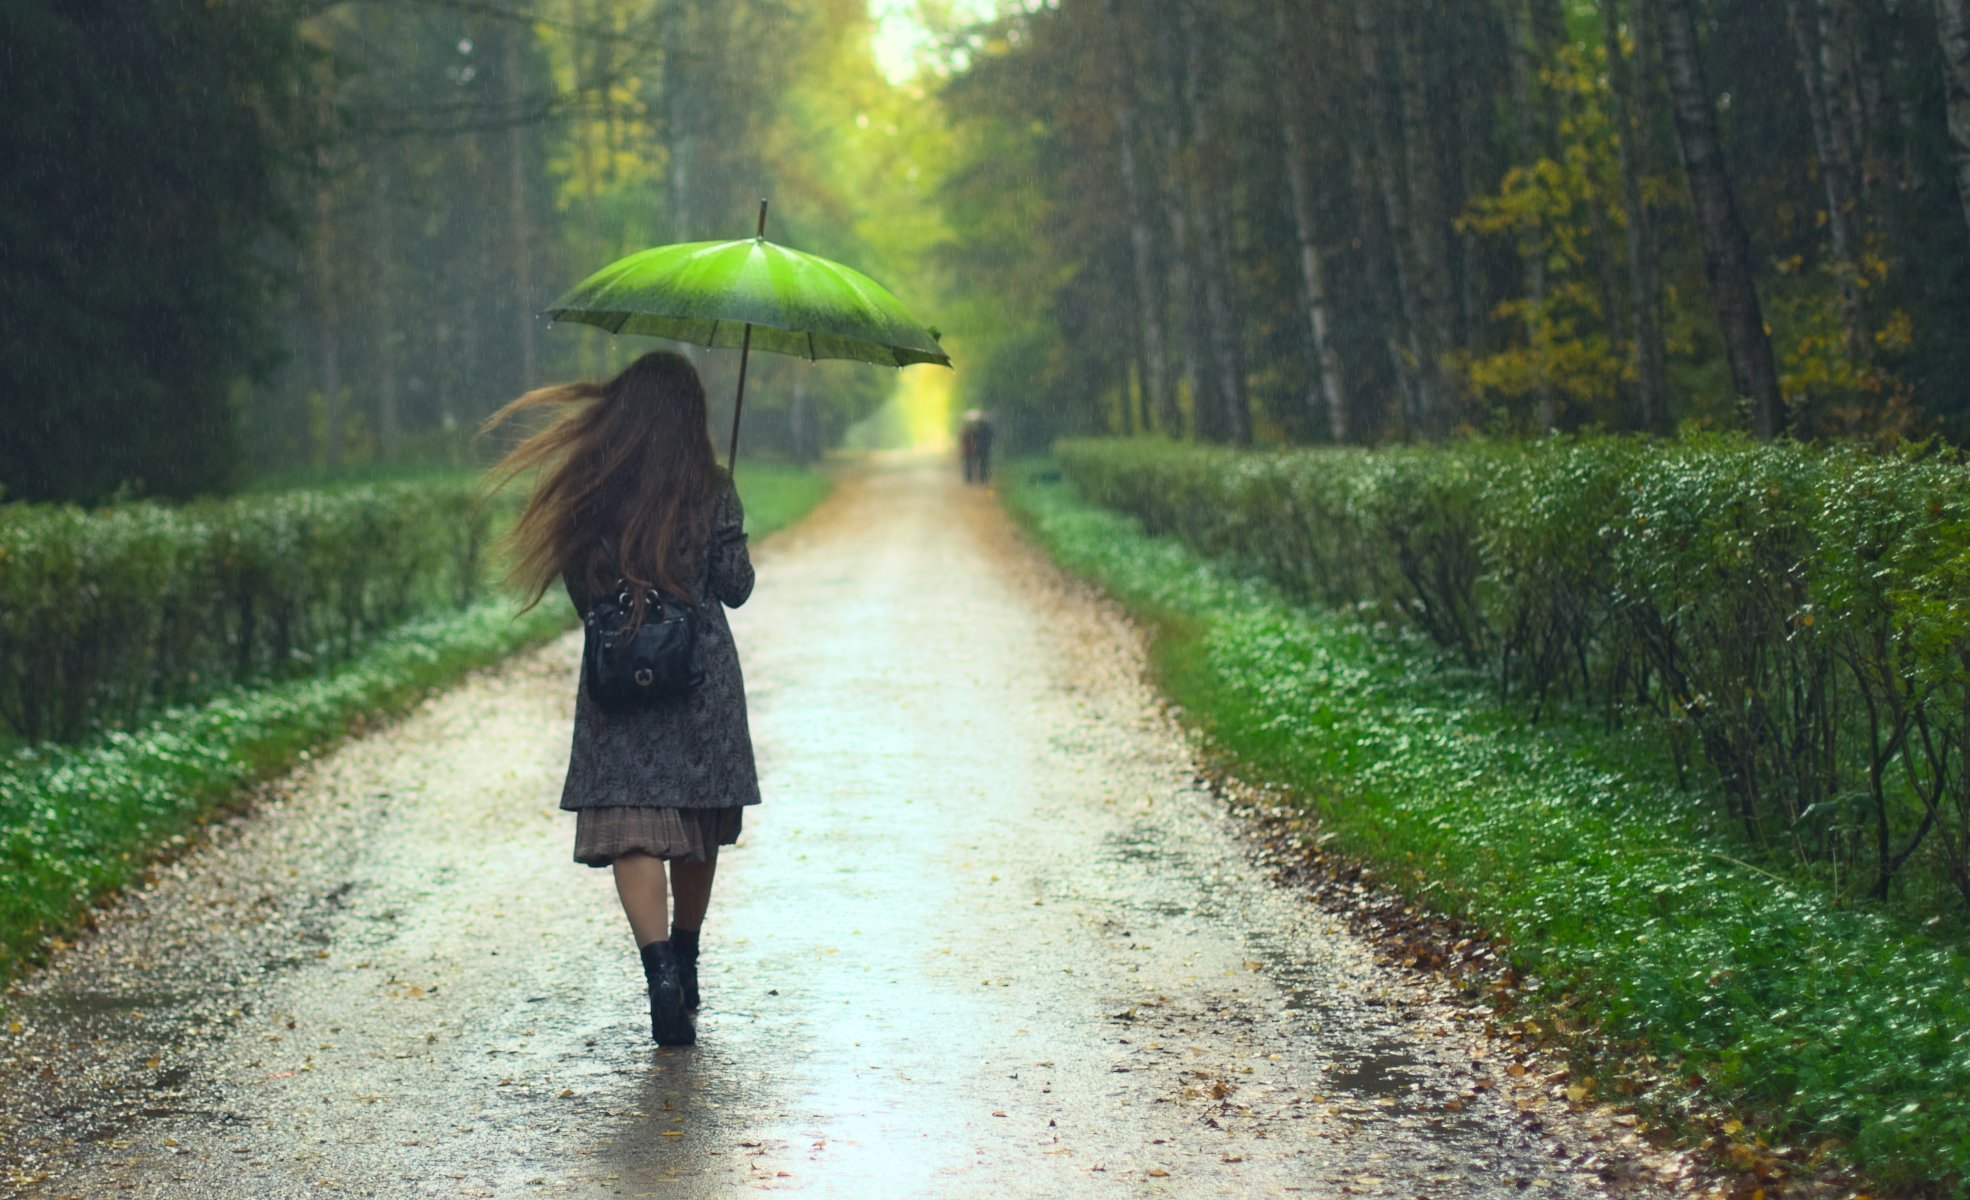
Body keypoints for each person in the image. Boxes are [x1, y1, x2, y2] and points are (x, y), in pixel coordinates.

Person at [480, 351, 759, 1048]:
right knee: (694, 819)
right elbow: (735, 585)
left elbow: (582, 589)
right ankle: (689, 963)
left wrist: (628, 614)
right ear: (690, 417)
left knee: (635, 822)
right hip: (699, 676)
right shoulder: (710, 486)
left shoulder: (593, 487)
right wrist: (726, 518)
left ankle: (659, 973)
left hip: (617, 674)